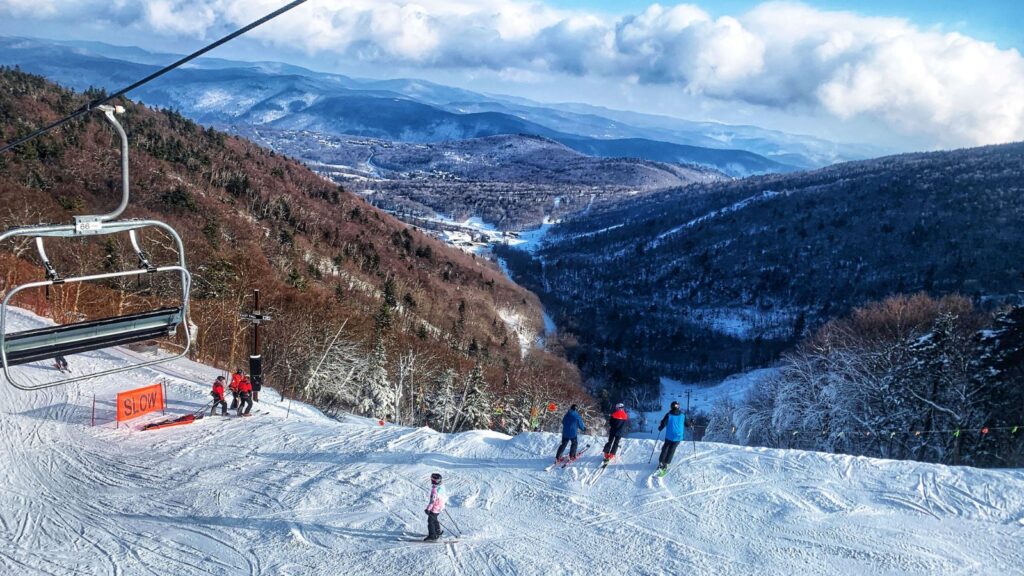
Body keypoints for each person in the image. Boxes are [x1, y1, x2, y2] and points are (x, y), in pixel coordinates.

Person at [657, 401, 686, 473]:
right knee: (672, 450)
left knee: (665, 448)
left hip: (669, 436)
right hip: (678, 436)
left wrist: (660, 427)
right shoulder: (683, 415)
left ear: (671, 406)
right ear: (678, 407)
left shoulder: (668, 415)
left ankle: (661, 462)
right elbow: (687, 424)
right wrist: (692, 423)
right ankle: (666, 464)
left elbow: (663, 423)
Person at [424, 472, 446, 541]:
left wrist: (428, 509)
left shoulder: (434, 491)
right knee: (435, 519)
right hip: (440, 506)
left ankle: (432, 536)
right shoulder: (442, 486)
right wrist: (442, 504)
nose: (431, 480)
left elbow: (432, 501)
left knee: (430, 521)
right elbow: (443, 496)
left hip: (435, 508)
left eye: (433, 480)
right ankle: (437, 531)